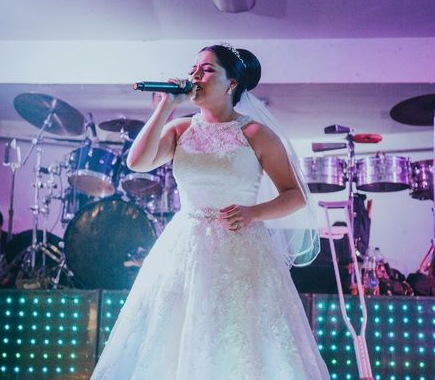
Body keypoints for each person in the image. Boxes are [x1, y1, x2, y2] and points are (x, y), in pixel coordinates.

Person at [91, 45, 329, 379]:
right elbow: (137, 162)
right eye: (194, 69)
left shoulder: (255, 133)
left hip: (242, 248)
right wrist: (164, 109)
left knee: (239, 343)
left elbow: (295, 195)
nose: (195, 76)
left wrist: (253, 213)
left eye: (206, 69)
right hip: (185, 246)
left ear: (232, 83)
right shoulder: (181, 129)